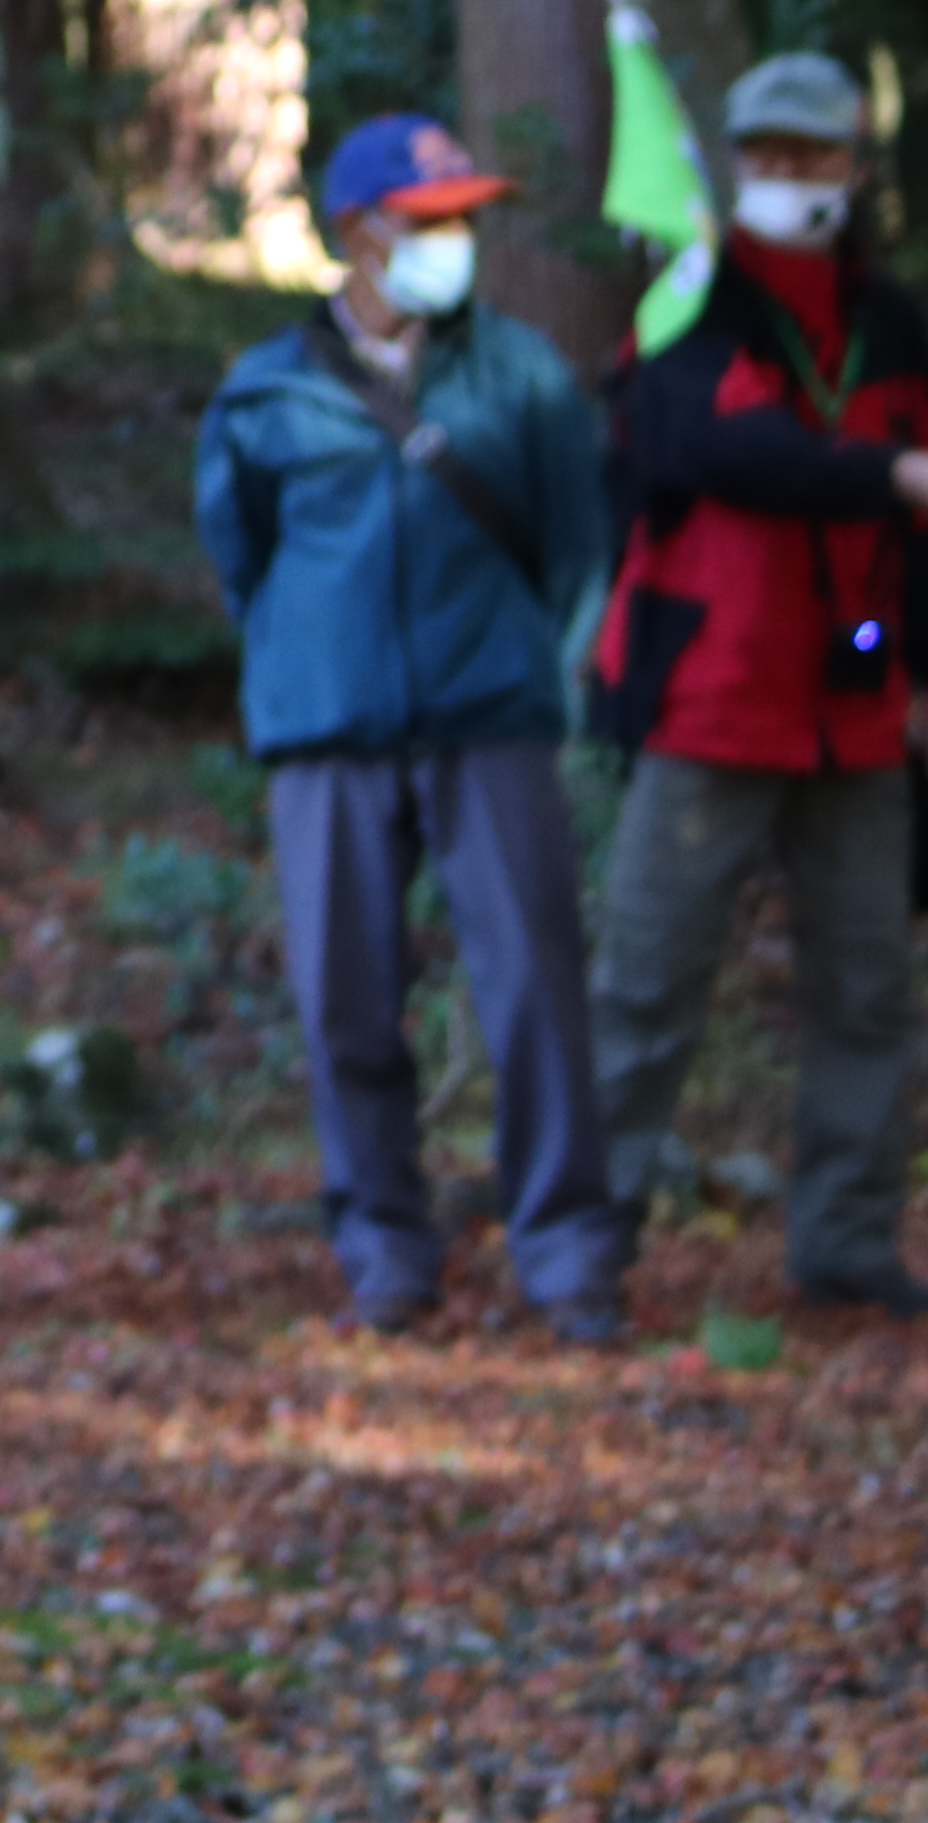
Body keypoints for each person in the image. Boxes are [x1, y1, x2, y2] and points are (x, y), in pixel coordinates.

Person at [584, 51, 928, 1320]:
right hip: (711, 690)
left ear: (857, 168)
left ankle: (848, 1241)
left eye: (813, 154)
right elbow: (729, 447)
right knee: (649, 980)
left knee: (868, 986)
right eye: (765, 153)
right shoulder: (688, 302)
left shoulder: (895, 322)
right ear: (732, 160)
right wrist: (895, 478)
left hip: (860, 698)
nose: (786, 174)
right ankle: (585, 1240)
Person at [196, 113, 625, 1346]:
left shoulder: (523, 374)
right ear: (356, 233)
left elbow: (575, 544)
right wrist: (310, 660)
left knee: (535, 989)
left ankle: (567, 1253)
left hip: (490, 720)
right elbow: (243, 552)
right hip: (326, 731)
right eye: (428, 220)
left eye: (464, 220)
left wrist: (540, 671)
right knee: (347, 999)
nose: (454, 242)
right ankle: (384, 1245)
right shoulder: (265, 391)